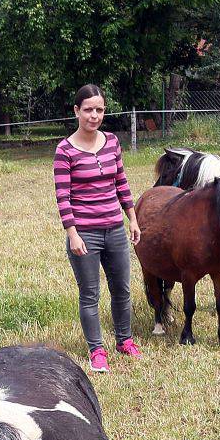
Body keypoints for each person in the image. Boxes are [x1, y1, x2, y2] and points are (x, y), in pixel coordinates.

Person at [53, 84, 141, 372]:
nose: (94, 115)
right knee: (90, 294)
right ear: (77, 111)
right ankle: (97, 349)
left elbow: (121, 183)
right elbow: (62, 197)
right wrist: (73, 234)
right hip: (85, 235)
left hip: (115, 229)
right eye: (88, 109)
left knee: (122, 290)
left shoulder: (113, 142)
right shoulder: (64, 151)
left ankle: (124, 340)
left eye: (99, 110)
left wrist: (133, 219)